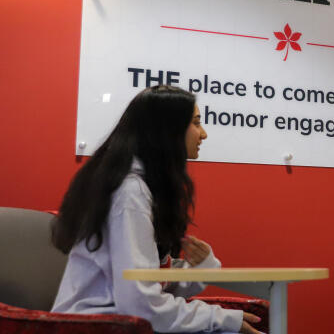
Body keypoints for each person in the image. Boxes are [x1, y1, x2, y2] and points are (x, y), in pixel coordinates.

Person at [51, 85, 262, 333]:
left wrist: (201, 268)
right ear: (167, 131)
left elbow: (149, 289)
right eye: (196, 123)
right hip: (96, 326)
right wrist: (220, 319)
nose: (203, 134)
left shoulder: (139, 187)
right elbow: (141, 306)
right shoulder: (130, 193)